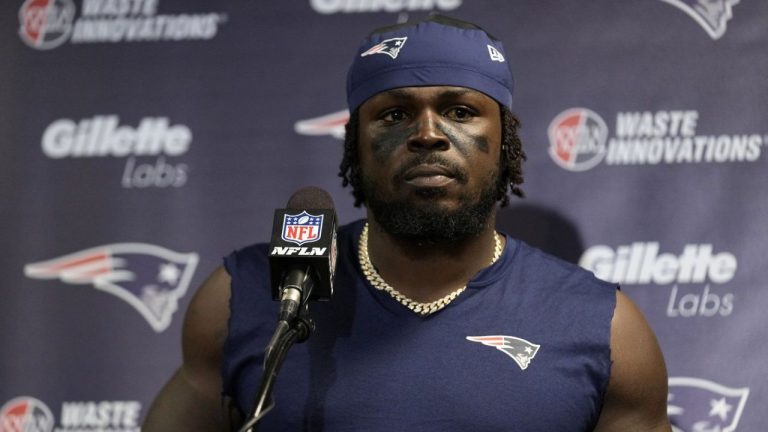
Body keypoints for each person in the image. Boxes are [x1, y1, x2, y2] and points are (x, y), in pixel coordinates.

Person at [143, 15, 672, 431]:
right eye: (394, 114)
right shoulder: (250, 295)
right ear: (356, 144)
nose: (428, 134)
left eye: (460, 112)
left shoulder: (602, 326)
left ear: (506, 141)